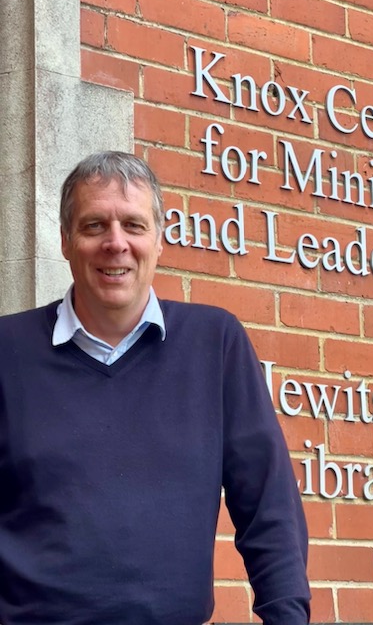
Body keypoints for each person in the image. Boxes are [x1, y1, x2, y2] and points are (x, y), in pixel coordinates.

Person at [0, 151, 310, 624]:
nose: (116, 243)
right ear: (65, 241)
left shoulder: (215, 344)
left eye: (134, 225)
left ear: (159, 240)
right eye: (94, 226)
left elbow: (269, 505)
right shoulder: (8, 351)